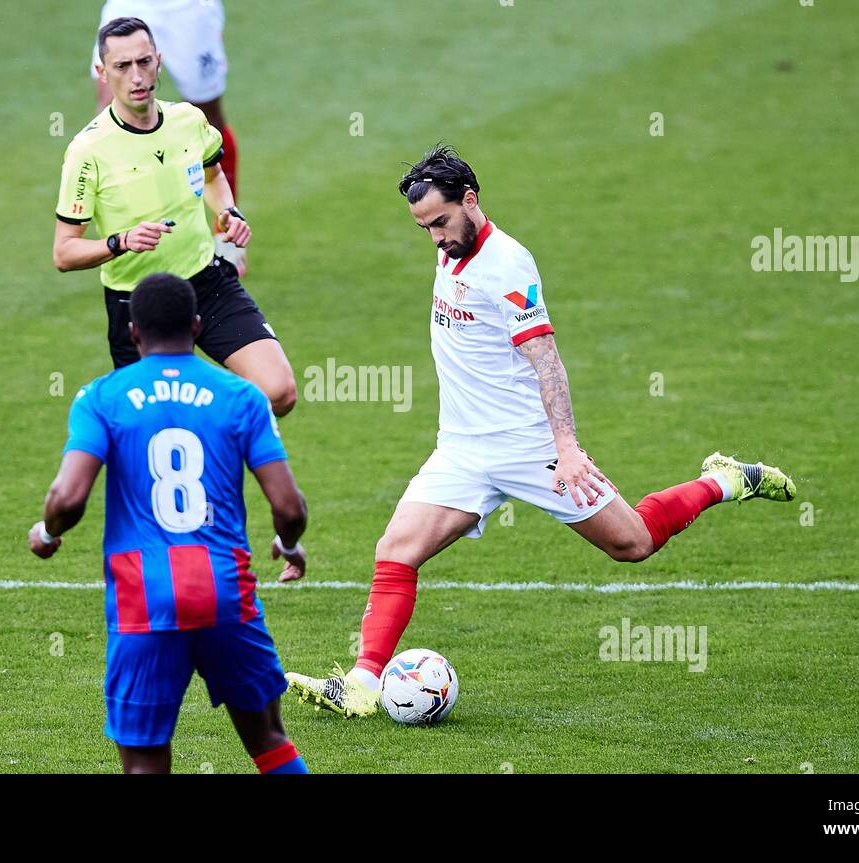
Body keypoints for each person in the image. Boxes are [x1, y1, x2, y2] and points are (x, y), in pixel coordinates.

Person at [285, 146, 797, 718]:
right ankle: (361, 683)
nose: (433, 237)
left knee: (633, 544)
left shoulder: (506, 264)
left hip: (530, 448)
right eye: (423, 227)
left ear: (470, 201)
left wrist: (567, 449)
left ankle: (726, 480)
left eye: (440, 222)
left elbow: (546, 359)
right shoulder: (452, 248)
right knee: (395, 551)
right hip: (460, 449)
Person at [28, 272, 310, 772]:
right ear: (198, 327)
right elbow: (289, 507)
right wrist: (289, 545)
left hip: (144, 598)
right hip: (227, 592)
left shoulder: (102, 397)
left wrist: (48, 533)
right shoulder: (242, 396)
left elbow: (68, 497)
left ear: (133, 331)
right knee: (268, 739)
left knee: (144, 762)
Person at [55, 17, 293, 415]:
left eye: (144, 62)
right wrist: (120, 242)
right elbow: (64, 253)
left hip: (205, 281)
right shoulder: (87, 152)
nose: (137, 76)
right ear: (102, 72)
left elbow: (214, 175)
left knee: (279, 391)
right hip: (138, 303)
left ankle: (211, 426)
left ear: (159, 60)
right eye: (122, 66)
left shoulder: (188, 120)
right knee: (153, 428)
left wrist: (228, 213)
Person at [88, 0, 248, 275]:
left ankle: (227, 231)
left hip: (187, 10)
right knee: (107, 114)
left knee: (209, 120)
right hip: (129, 5)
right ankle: (127, 229)